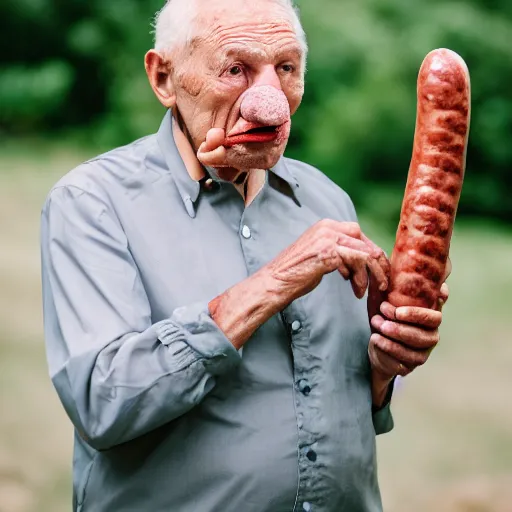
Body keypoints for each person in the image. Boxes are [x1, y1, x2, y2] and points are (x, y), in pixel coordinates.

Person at [40, 0, 449, 511]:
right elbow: (104, 403)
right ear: (164, 77)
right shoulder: (93, 203)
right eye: (236, 69)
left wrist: (383, 366)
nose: (270, 102)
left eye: (286, 69)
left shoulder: (327, 201)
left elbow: (342, 401)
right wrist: (276, 280)